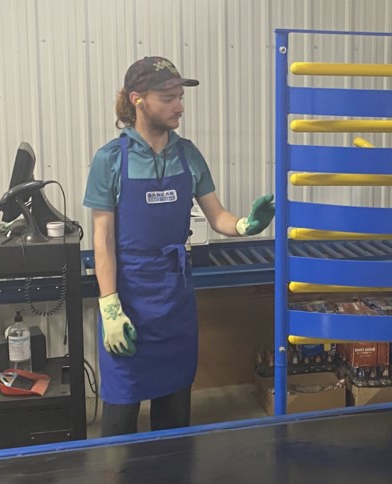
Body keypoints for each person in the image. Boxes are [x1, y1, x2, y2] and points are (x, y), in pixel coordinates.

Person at [83, 56, 275, 437]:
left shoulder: (187, 154)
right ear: (138, 99)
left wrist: (244, 224)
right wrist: (109, 308)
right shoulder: (110, 161)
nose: (179, 106)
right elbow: (102, 239)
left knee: (174, 418)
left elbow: (217, 215)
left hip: (175, 299)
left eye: (180, 96)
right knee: (119, 421)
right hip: (129, 301)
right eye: (168, 97)